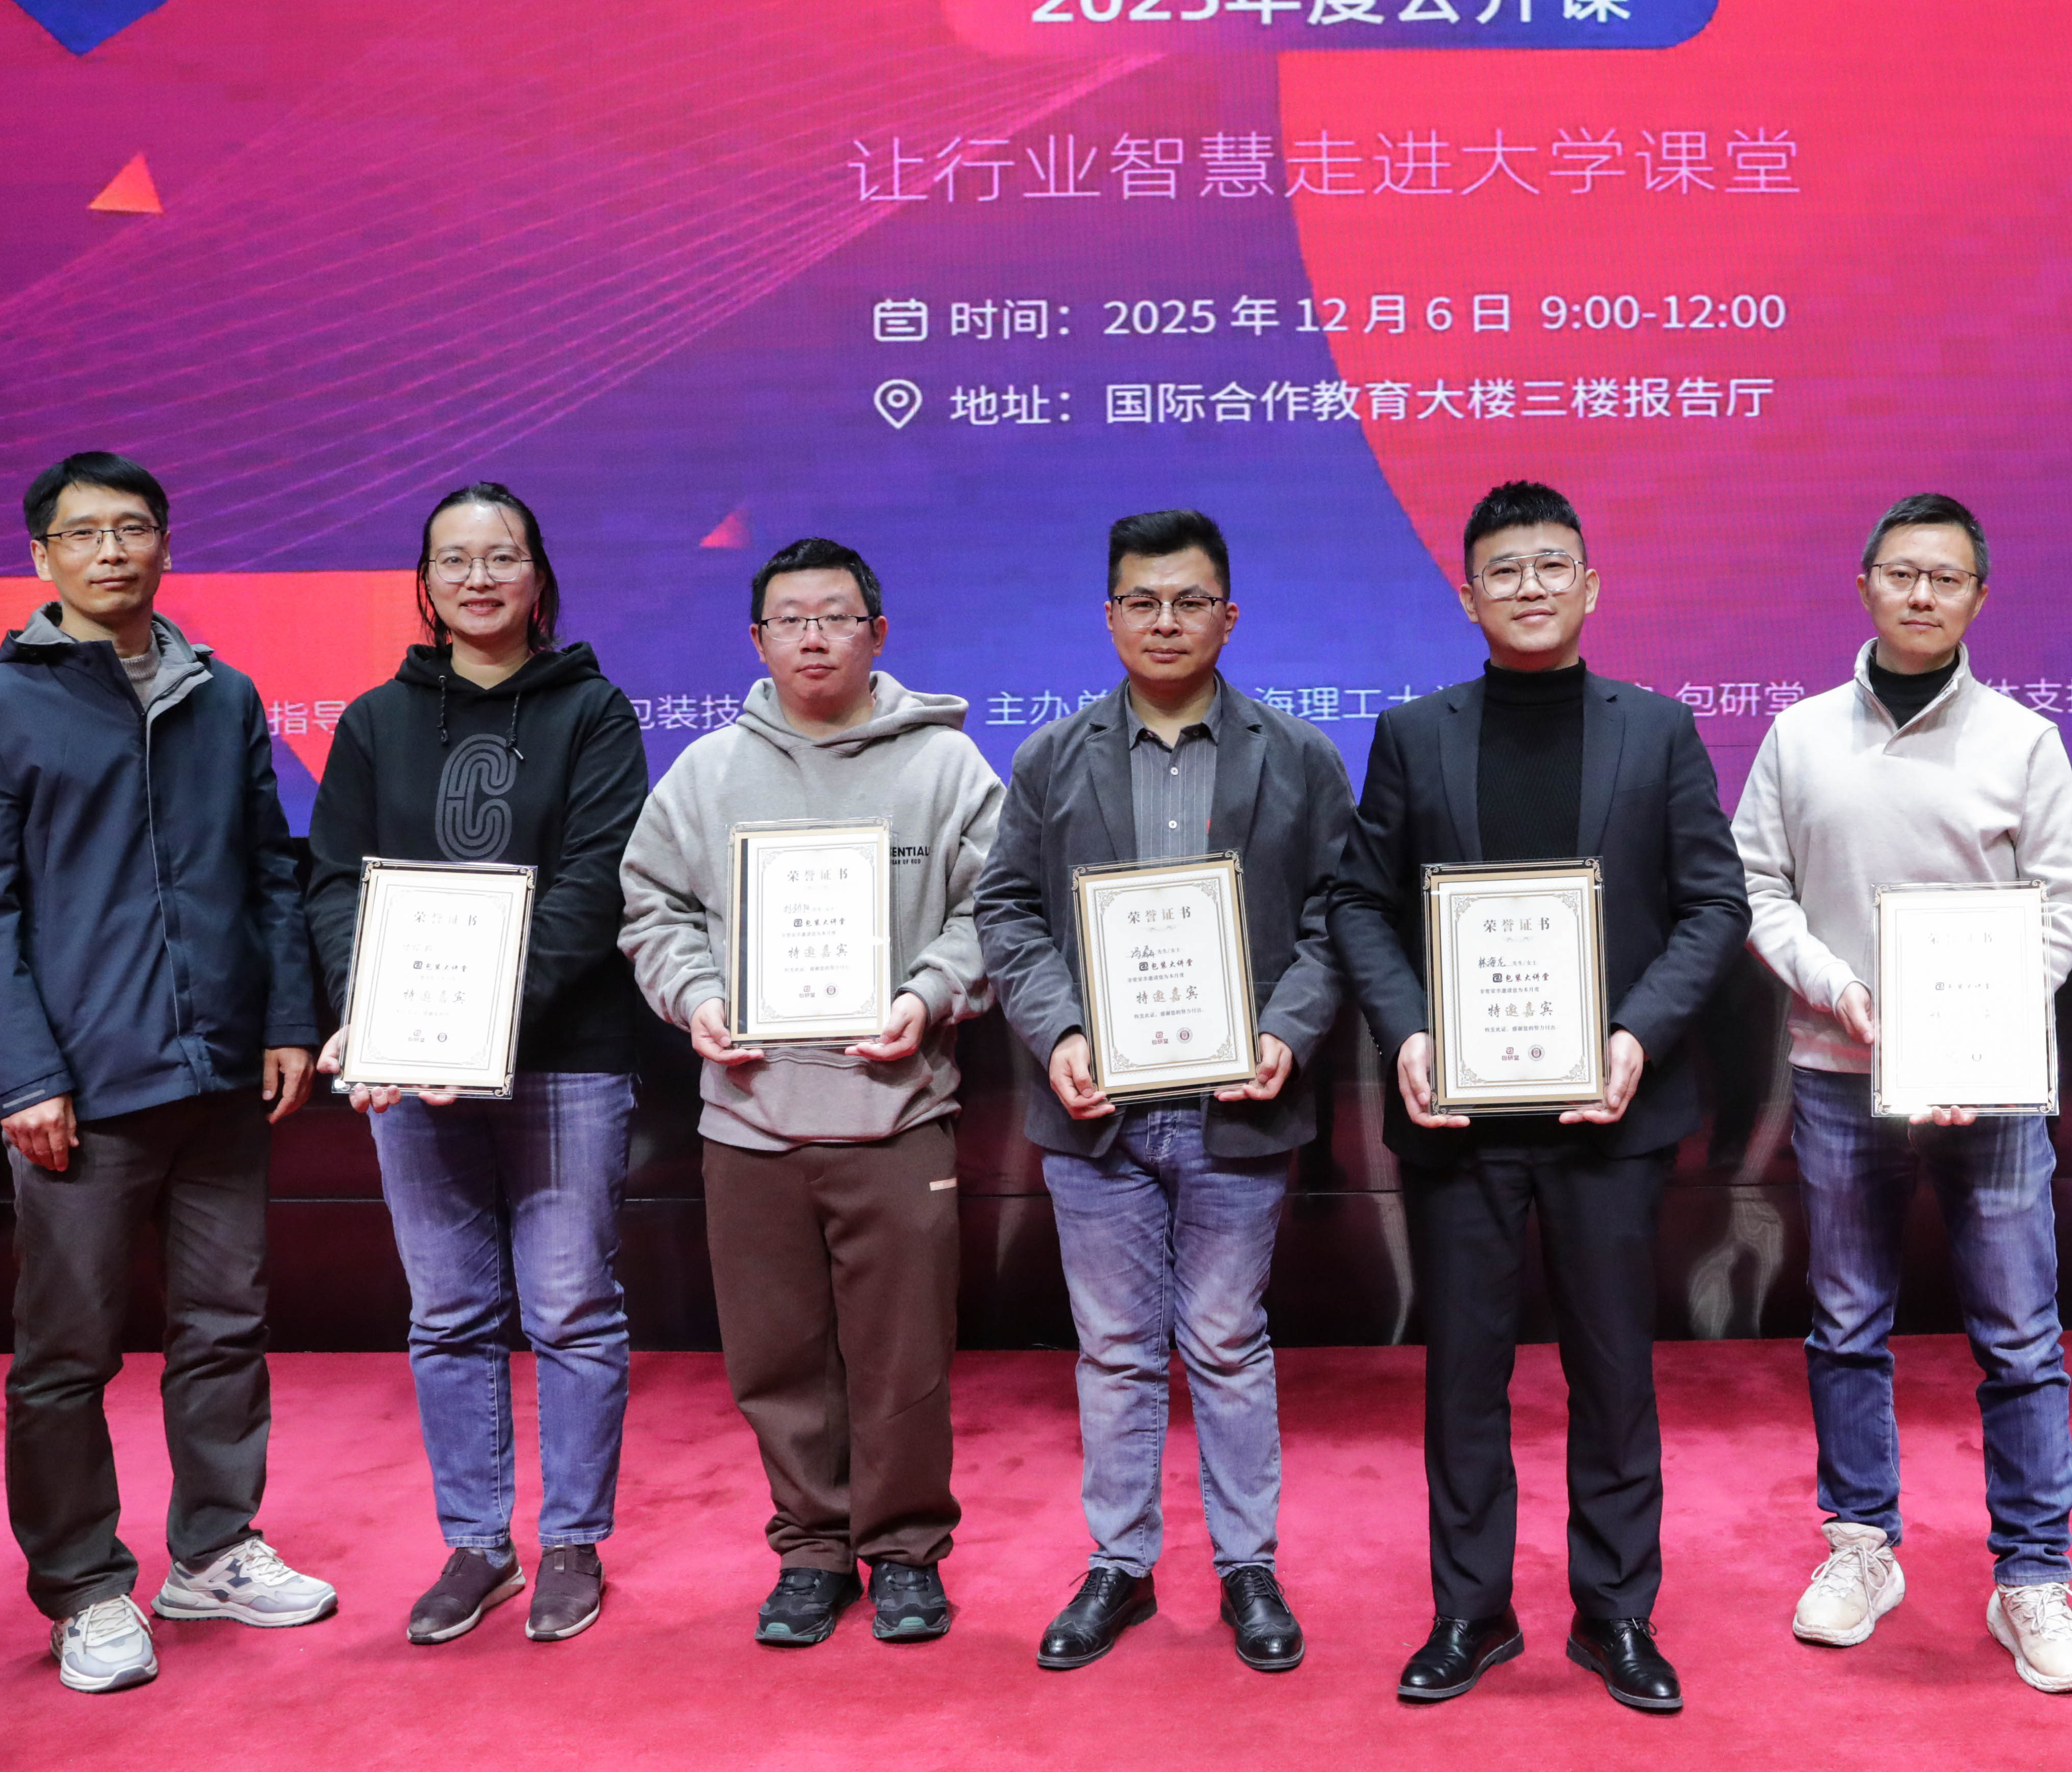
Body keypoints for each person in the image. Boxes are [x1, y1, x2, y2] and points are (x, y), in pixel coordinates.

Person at [1328, 480, 1750, 1713]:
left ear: (1589, 585)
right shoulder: (1414, 734)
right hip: (1457, 1121)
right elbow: (1358, 901)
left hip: (1607, 1115)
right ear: (1466, 596)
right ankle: (1471, 1612)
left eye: (1551, 566)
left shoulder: (1655, 730)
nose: (1529, 587)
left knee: (1613, 1374)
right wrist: (1409, 1031)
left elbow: (1713, 904)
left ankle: (1615, 1614)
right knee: (1463, 1376)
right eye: (1503, 571)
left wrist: (1634, 1037)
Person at [0, 452, 334, 1694]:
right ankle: (84, 1588)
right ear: (41, 557)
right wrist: (22, 1079)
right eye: (85, 533)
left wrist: (287, 1018)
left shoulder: (224, 694)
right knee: (67, 1353)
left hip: (221, 1074)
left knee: (225, 1326)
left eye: (135, 528)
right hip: (81, 1091)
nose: (113, 551)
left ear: (165, 544)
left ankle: (212, 1549)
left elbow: (268, 869)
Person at [1729, 493, 2072, 1692]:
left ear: (1978, 597)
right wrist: (1839, 990)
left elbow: (2066, 903)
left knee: (2020, 1336)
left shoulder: (2022, 742)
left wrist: (1974, 1033)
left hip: (1992, 1091)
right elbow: (1757, 890)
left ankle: (2031, 1576)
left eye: (1946, 577)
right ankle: (1861, 1546)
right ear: (1864, 586)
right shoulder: (1797, 736)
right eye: (1901, 573)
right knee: (1846, 1322)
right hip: (1840, 1075)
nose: (1922, 594)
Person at [974, 510, 1354, 1675]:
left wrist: (1288, 1028)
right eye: (1142, 602)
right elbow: (1006, 911)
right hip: (1097, 1110)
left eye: (1189, 601)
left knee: (1229, 1342)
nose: (1165, 622)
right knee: (1115, 1348)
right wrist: (1060, 1030)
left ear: (1228, 616)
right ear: (1109, 617)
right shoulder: (1050, 758)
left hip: (1241, 1105)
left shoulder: (1297, 756)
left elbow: (1339, 913)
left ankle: (1247, 1567)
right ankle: (1121, 1563)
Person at [619, 538, 1002, 1650]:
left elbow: (996, 908)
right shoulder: (705, 773)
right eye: (790, 619)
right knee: (775, 1356)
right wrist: (696, 997)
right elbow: (651, 907)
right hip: (749, 1116)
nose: (814, 637)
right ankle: (811, 1550)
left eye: (836, 616)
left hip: (898, 1108)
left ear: (878, 634)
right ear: (758, 641)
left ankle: (906, 1552)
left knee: (903, 1357)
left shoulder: (948, 769)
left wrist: (928, 996)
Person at [305, 482, 649, 1646]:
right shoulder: (374, 720)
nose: (479, 577)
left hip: (566, 1060)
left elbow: (596, 887)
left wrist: (482, 1025)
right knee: (447, 1311)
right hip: (412, 1062)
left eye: (502, 556)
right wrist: (373, 1010)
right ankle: (476, 1543)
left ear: (538, 575)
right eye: (454, 559)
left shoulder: (594, 712)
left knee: (570, 1306)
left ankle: (572, 1542)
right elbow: (332, 883)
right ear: (425, 582)